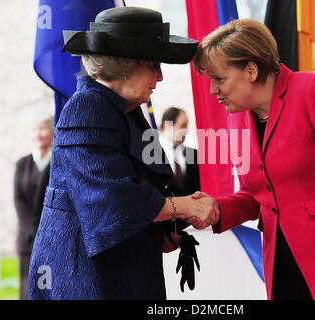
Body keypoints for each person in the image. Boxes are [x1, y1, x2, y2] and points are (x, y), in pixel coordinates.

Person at [190, 18, 315, 300]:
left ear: (251, 70)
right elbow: (259, 195)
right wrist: (215, 209)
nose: (213, 91)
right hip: (286, 267)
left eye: (219, 79)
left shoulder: (311, 89)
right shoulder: (236, 119)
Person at [28, 7, 218, 300]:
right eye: (153, 64)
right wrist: (185, 206)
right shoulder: (86, 108)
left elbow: (141, 183)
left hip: (121, 268)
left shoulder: (124, 109)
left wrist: (163, 229)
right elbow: (113, 197)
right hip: (84, 275)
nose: (160, 76)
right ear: (124, 64)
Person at [14, 115, 53, 300]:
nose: (38, 134)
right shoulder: (23, 164)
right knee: (28, 289)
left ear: (53, 132)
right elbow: (19, 200)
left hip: (53, 236)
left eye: (42, 128)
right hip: (28, 238)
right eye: (34, 130)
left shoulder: (58, 163)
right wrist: (33, 230)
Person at [159, 107, 200, 196]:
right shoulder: (152, 154)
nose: (186, 130)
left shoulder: (193, 154)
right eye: (182, 126)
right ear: (168, 126)